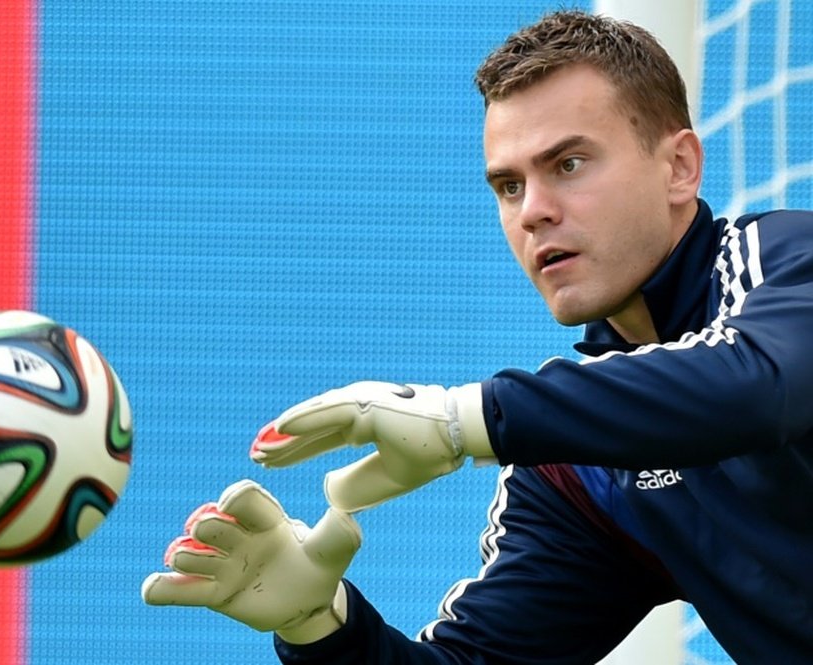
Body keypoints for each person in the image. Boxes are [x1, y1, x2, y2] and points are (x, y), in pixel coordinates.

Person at [142, 9, 813, 663]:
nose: (534, 212)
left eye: (569, 165)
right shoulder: (578, 472)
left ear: (680, 167)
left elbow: (760, 388)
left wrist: (462, 417)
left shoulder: (789, 262)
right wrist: (319, 624)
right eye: (509, 185)